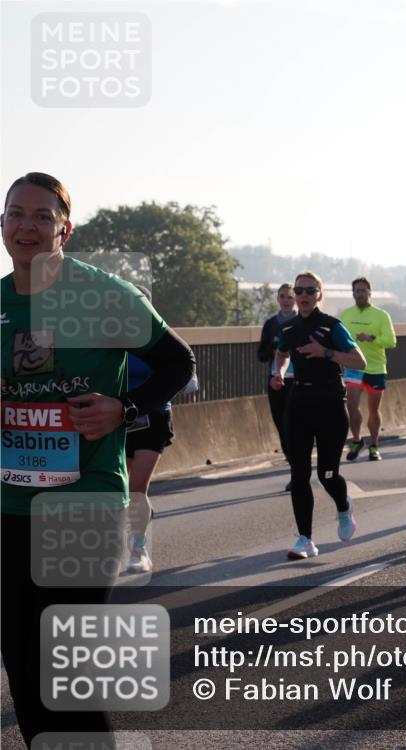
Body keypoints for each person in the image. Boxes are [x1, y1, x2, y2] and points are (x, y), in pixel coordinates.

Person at [1, 173, 196, 745]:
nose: (27, 226)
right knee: (24, 671)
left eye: (42, 216)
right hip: (10, 508)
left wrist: (125, 408)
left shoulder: (104, 293)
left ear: (66, 227)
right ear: (3, 224)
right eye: (16, 213)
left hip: (84, 504)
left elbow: (177, 363)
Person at [271, 271, 366, 559]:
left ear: (319, 295)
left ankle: (343, 506)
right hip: (299, 402)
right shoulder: (288, 329)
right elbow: (282, 353)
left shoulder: (332, 327)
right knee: (298, 475)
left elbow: (358, 360)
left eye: (309, 291)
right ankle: (305, 540)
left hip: (330, 405)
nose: (303, 296)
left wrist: (325, 352)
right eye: (299, 290)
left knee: (327, 475)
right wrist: (279, 372)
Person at [125, 285, 199, 575]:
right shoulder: (109, 338)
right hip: (119, 418)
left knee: (136, 486)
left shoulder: (160, 340)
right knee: (122, 489)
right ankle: (141, 516)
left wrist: (188, 380)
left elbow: (184, 369)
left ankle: (138, 548)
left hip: (153, 417)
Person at [341, 277, 397, 462]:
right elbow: (338, 339)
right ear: (353, 294)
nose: (360, 294)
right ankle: (357, 440)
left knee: (374, 409)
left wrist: (371, 338)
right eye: (357, 291)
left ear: (370, 293)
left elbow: (391, 341)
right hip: (354, 367)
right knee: (351, 405)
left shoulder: (381, 315)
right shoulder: (346, 315)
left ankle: (374, 445)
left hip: (375, 367)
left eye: (364, 290)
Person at [257, 282, 296, 489]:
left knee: (296, 426)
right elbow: (261, 355)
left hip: (298, 380)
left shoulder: (302, 321)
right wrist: (273, 349)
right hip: (276, 380)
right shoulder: (271, 324)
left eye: (290, 297)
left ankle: (298, 471)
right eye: (282, 296)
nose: (286, 300)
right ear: (278, 299)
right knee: (282, 426)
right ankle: (294, 467)